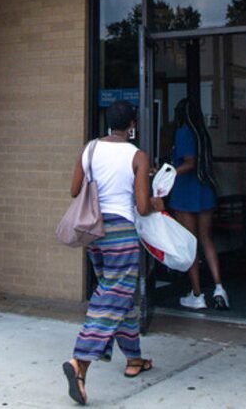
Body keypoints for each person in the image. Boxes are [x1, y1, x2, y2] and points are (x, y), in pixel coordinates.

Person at [63, 100, 162, 406]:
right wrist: (158, 203)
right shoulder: (137, 156)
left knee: (120, 296)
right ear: (132, 125)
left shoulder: (90, 149)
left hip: (94, 231)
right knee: (112, 296)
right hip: (121, 232)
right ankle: (81, 362)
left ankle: (134, 358)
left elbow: (75, 190)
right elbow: (143, 206)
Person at [168, 97, 227, 310]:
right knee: (206, 239)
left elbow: (189, 162)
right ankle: (219, 288)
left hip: (186, 192)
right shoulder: (202, 133)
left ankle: (197, 294)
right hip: (205, 190)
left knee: (190, 244)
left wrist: (169, 172)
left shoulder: (184, 132)